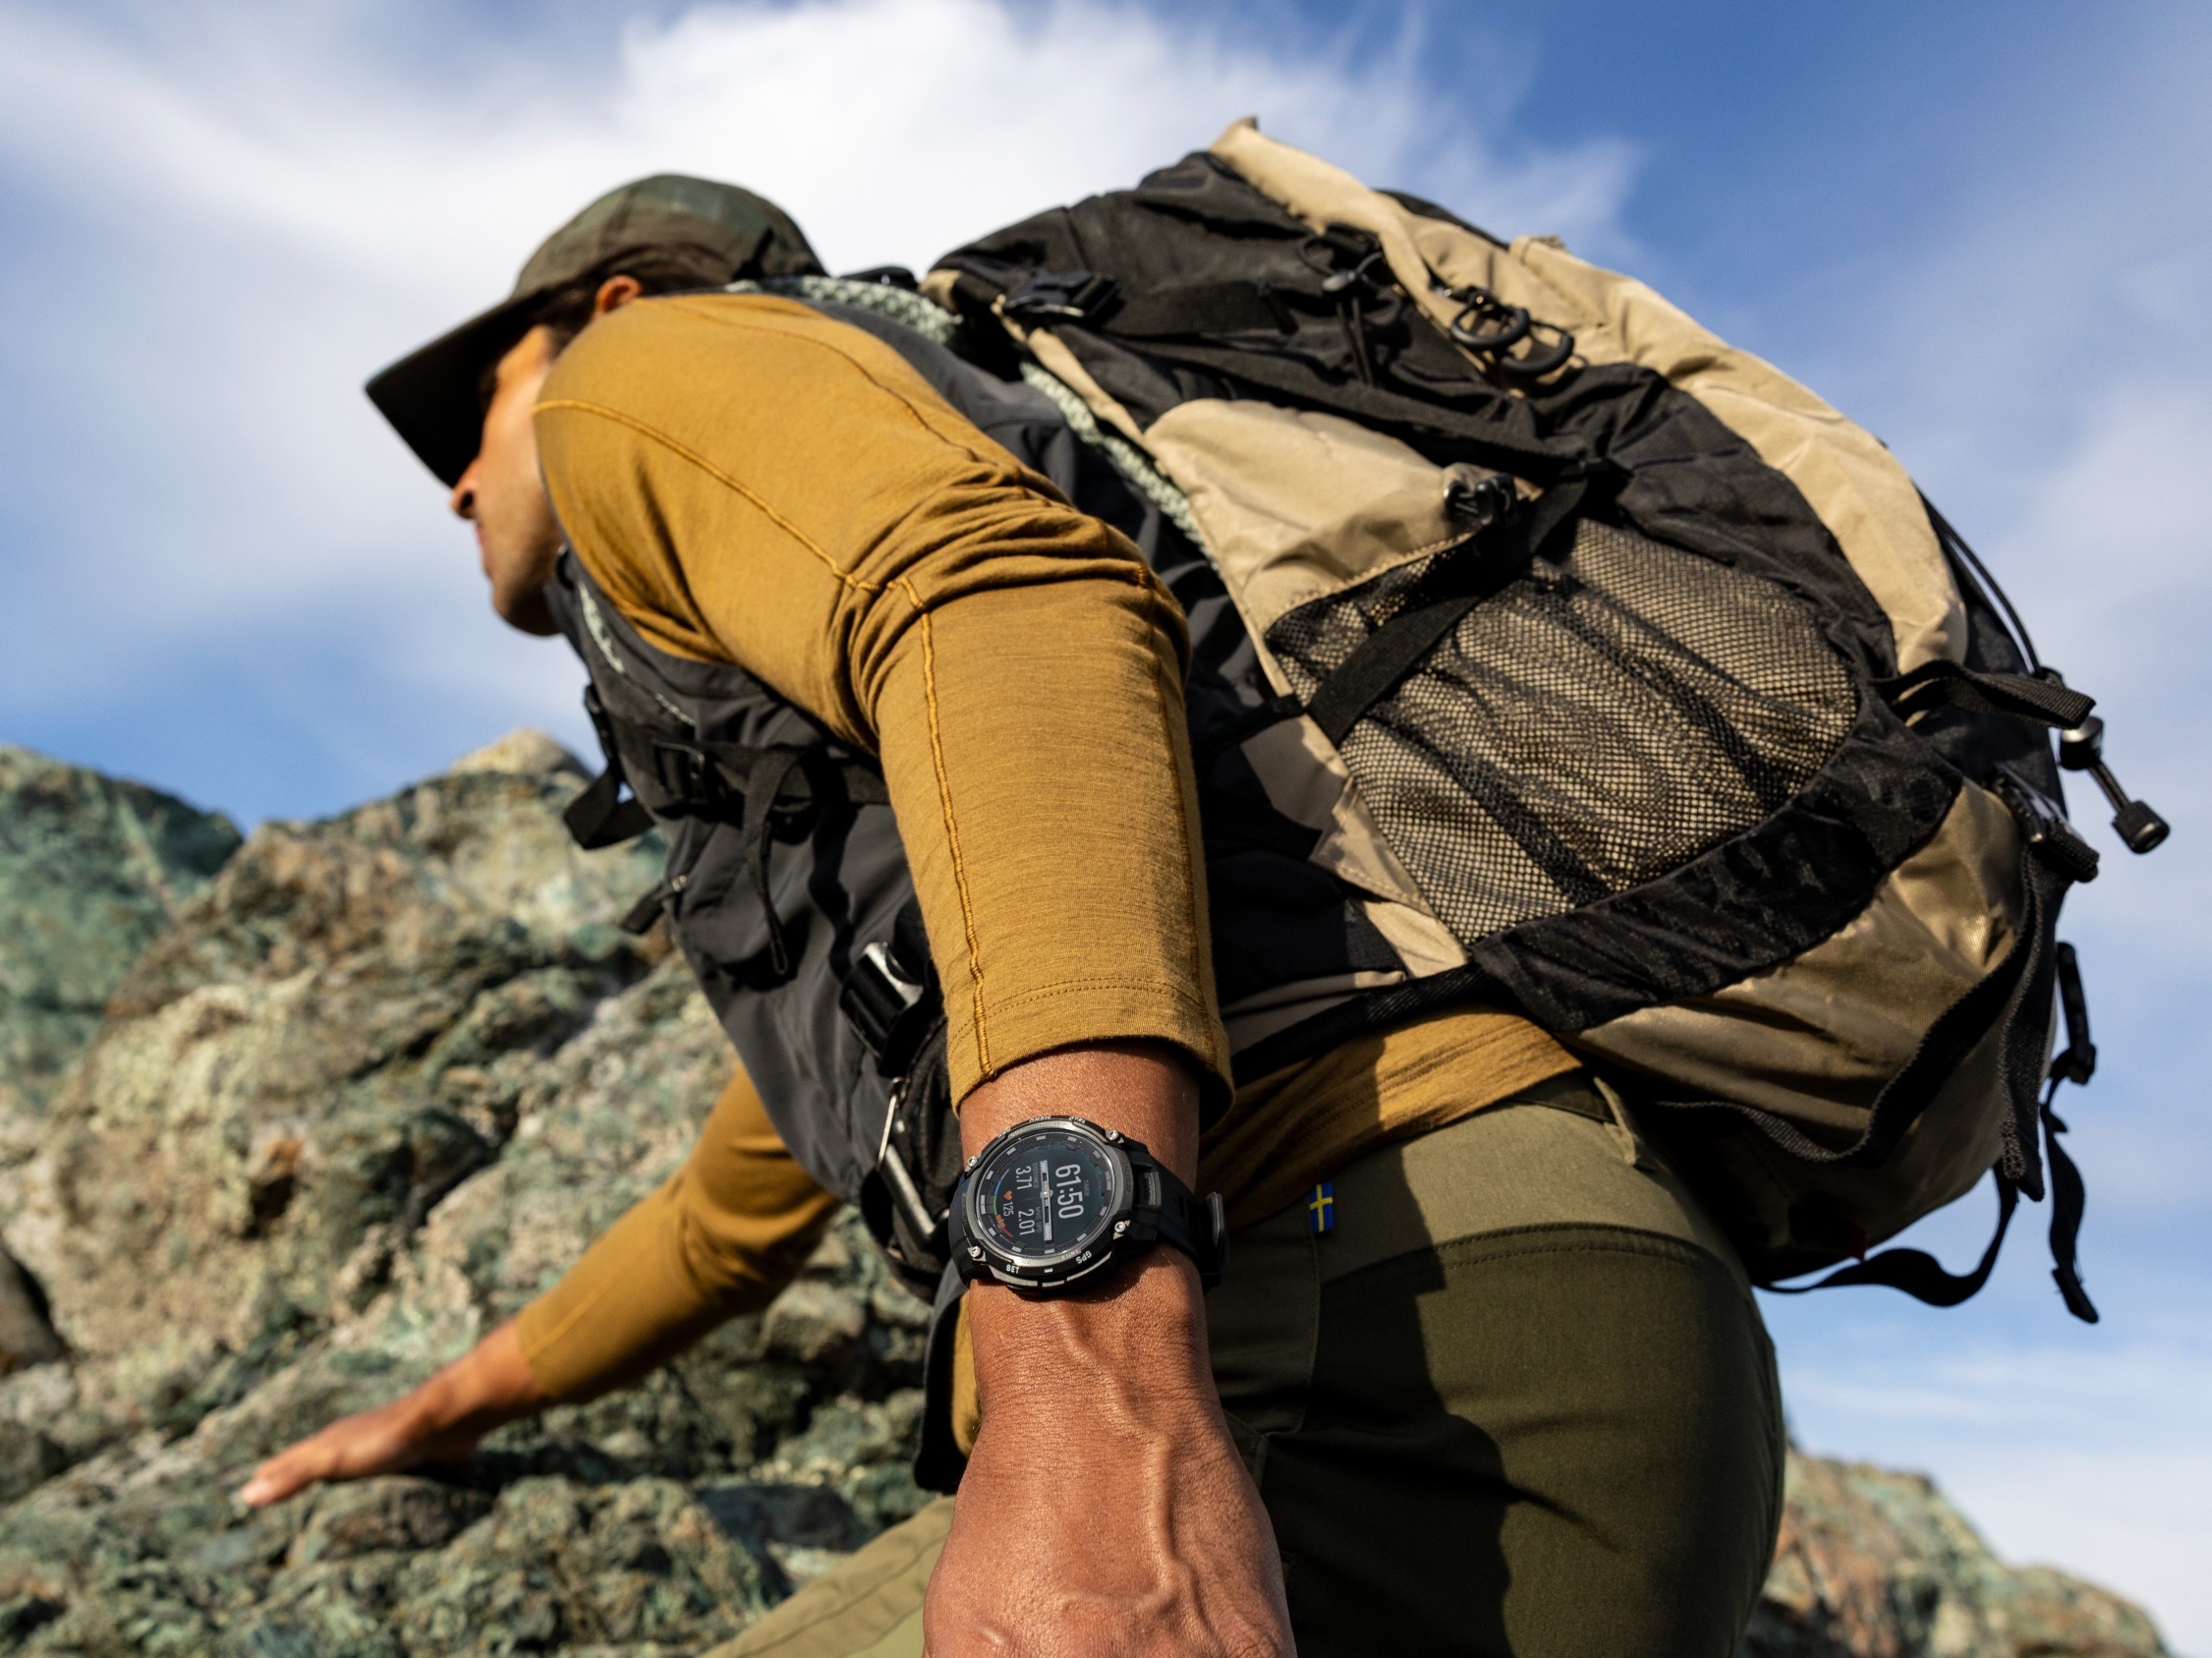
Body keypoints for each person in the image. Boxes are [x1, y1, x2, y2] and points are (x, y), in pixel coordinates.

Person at [238, 175, 1786, 1658]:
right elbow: (723, 1224)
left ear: (618, 301)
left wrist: (1092, 1399)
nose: (455, 479)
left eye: (480, 403)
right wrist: (426, 1417)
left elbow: (1007, 599)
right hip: (1487, 1305)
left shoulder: (637, 372)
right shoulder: (956, 854)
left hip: (1375, 1323)